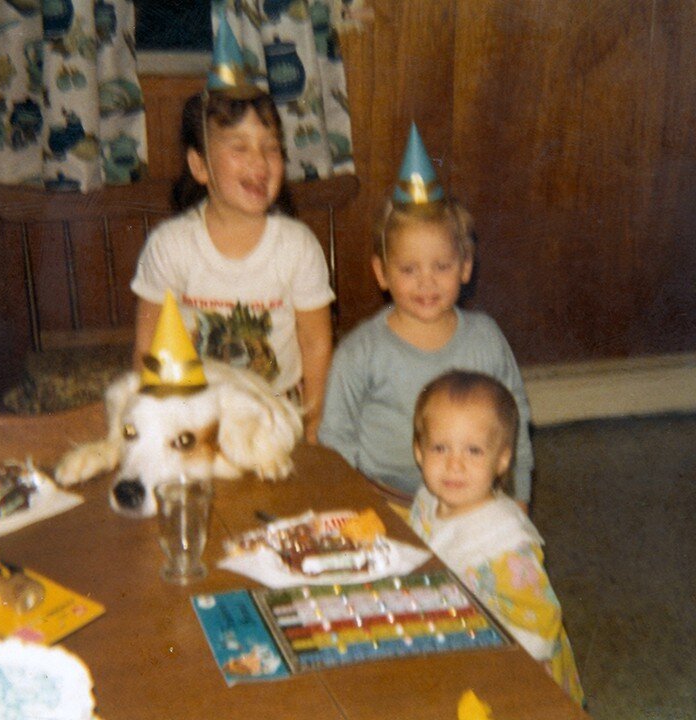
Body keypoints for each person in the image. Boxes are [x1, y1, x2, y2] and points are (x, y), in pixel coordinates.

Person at [130, 14, 334, 442]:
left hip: (276, 417)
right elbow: (148, 347)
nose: (260, 163)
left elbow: (316, 345)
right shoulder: (171, 246)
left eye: (271, 148)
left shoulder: (298, 247)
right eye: (239, 148)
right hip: (194, 416)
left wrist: (313, 429)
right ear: (199, 166)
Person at [318, 124, 533, 505]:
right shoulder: (361, 352)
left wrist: (518, 499)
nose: (426, 283)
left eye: (442, 266)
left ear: (465, 266)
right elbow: (336, 439)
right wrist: (349, 505)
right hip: (384, 497)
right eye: (408, 270)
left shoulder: (485, 339)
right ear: (381, 272)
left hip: (474, 495)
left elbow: (514, 423)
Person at [409, 369, 584, 706]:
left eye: (473, 451)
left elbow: (540, 624)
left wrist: (509, 683)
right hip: (456, 640)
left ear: (502, 459)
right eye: (440, 448)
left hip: (513, 670)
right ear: (419, 451)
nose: (454, 465)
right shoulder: (427, 500)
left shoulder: (506, 542)